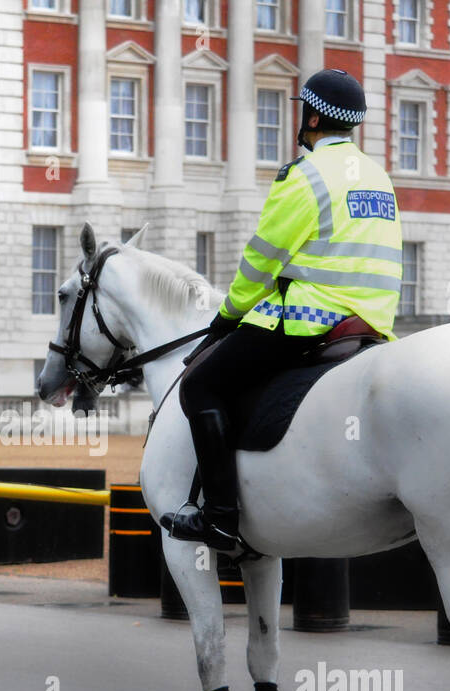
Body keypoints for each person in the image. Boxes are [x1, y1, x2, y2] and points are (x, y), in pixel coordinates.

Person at [160, 68, 403, 550]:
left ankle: (221, 520)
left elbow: (261, 260)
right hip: (372, 324)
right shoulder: (379, 177)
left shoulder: (306, 174)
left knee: (200, 384)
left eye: (302, 111)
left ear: (312, 116)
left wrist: (227, 316)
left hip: (311, 321)